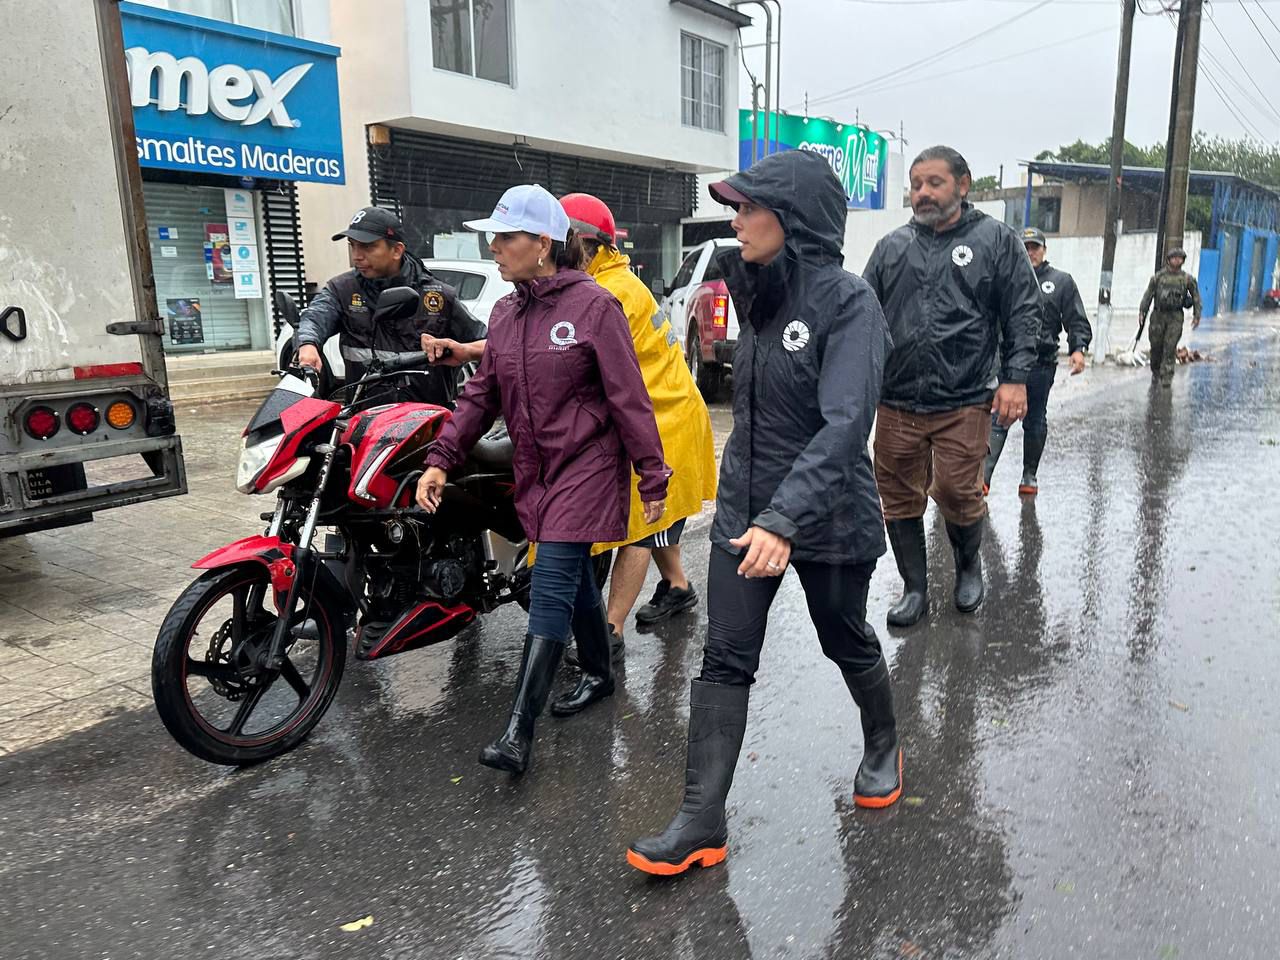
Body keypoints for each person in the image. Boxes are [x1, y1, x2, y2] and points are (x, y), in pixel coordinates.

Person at [627, 150, 898, 877]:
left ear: (795, 217)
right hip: (745, 511)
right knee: (725, 655)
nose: (736, 221)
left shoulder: (850, 303)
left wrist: (786, 518)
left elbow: (844, 425)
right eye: (736, 208)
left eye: (749, 207)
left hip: (828, 515)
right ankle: (700, 820)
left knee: (842, 636)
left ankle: (882, 741)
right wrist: (756, 513)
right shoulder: (754, 293)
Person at [415, 184, 669, 775]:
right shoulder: (506, 314)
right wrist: (441, 458)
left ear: (544, 244)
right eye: (493, 237)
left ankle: (517, 732)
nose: (494, 247)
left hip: (589, 466)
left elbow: (629, 399)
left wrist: (652, 476)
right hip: (537, 468)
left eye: (505, 237)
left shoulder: (595, 307)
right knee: (572, 576)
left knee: (551, 579)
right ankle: (600, 671)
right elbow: (480, 395)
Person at [863, 146, 1040, 627]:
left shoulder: (995, 240)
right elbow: (863, 318)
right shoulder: (891, 248)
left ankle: (967, 568)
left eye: (934, 182)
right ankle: (914, 588)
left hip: (965, 398)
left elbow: (1023, 310)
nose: (922, 192)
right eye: (916, 184)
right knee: (897, 495)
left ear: (963, 185)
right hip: (897, 400)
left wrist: (1015, 378)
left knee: (958, 491)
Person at [557, 193, 717, 666]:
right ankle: (678, 586)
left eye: (561, 242)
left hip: (665, 418)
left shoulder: (611, 293)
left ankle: (610, 631)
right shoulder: (603, 282)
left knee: (638, 525)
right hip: (664, 410)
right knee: (658, 517)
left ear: (587, 245)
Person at [295, 206, 487, 405]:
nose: (356, 256)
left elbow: (488, 344)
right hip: (365, 418)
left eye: (367, 247)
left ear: (396, 250)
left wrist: (464, 351)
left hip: (429, 419)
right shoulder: (342, 290)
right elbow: (316, 316)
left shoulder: (439, 296)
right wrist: (308, 345)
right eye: (353, 246)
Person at [983, 227, 1092, 497]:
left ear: (1044, 250)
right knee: (999, 416)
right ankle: (983, 477)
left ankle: (1029, 474)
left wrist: (1078, 349)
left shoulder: (1061, 281)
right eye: (1026, 247)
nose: (1030, 252)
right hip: (1007, 362)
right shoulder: (1006, 279)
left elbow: (1076, 319)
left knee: (1034, 420)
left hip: (1041, 363)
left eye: (1035, 247)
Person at [1139, 247, 1202, 388]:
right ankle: (1156, 371)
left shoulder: (1187, 279)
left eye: (1180, 258)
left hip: (1175, 316)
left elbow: (1196, 297)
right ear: (1169, 260)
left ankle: (1166, 377)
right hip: (1158, 315)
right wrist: (1142, 311)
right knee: (1156, 346)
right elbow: (1148, 295)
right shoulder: (1158, 278)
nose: (1177, 260)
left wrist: (1197, 315)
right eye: (1174, 258)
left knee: (1170, 346)